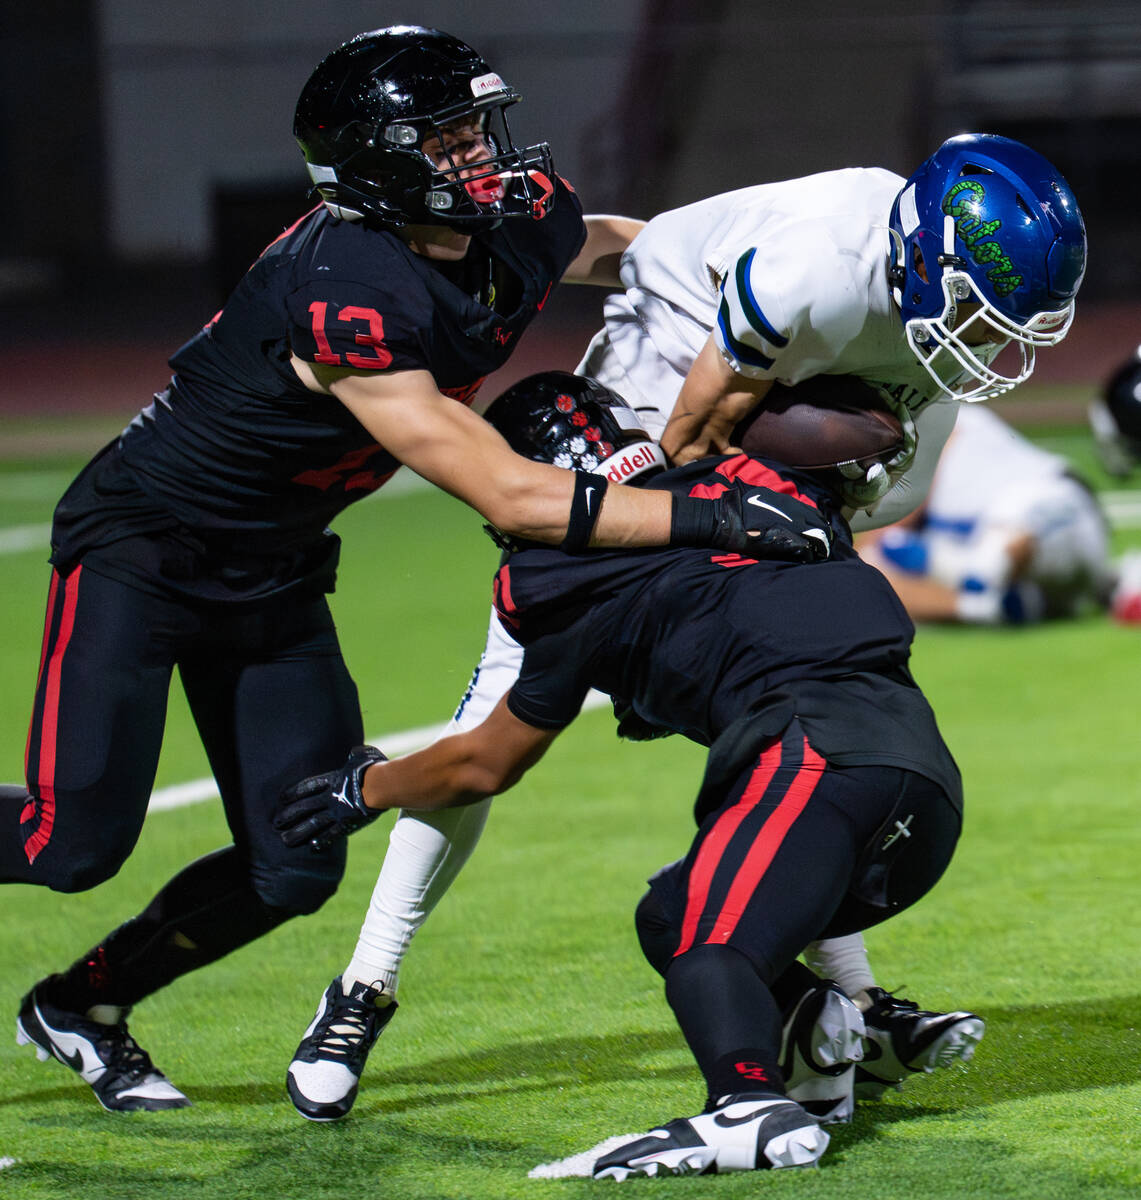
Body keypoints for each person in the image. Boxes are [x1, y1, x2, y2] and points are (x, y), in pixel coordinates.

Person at [2, 27, 826, 1115]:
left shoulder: (512, 216)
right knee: (71, 842)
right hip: (144, 552)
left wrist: (781, 295)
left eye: (478, 126)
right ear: (375, 162)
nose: (482, 155)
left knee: (294, 863)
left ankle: (81, 1005)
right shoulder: (344, 287)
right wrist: (708, 511)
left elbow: (631, 250)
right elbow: (510, 496)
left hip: (277, 568)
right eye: (445, 138)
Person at [285, 131, 1085, 1118]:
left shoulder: (916, 347)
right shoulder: (816, 265)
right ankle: (363, 987)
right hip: (663, 379)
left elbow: (874, 494)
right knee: (506, 685)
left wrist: (788, 517)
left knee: (784, 699)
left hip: (750, 400)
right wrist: (664, 540)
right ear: (922, 254)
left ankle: (858, 1001)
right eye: (971, 303)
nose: (985, 337)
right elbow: (686, 434)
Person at [275, 372, 967, 1176]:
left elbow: (484, 760)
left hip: (809, 757)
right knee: (670, 915)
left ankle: (744, 1104)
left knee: (711, 952)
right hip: (924, 791)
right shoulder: (756, 481)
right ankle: (821, 1044)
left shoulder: (561, 575)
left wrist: (363, 786)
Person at [856, 403, 1114, 625]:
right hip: (1054, 584)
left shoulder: (945, 419)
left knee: (992, 551)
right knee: (869, 575)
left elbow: (901, 506)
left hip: (1059, 513)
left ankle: (964, 574)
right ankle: (981, 607)